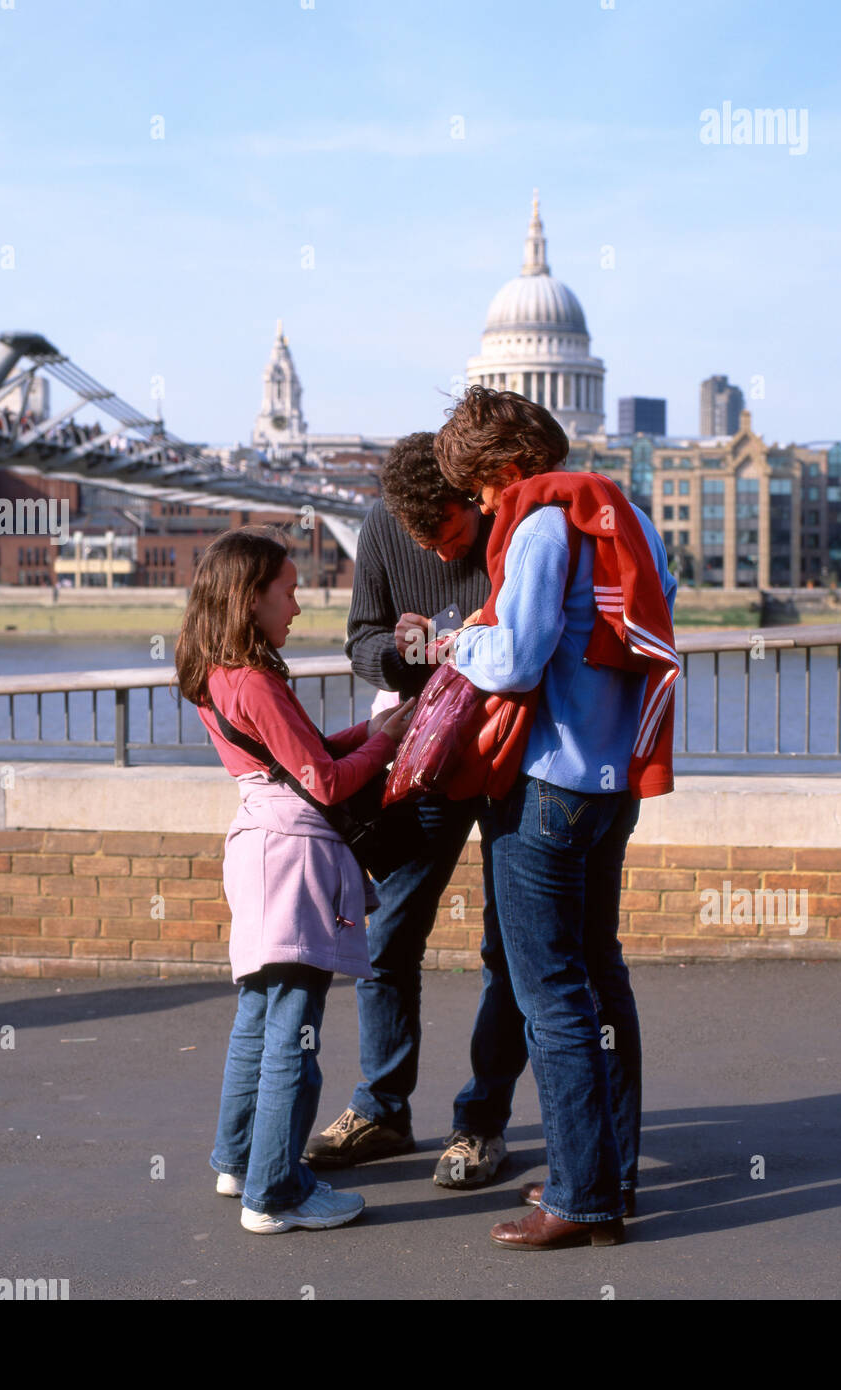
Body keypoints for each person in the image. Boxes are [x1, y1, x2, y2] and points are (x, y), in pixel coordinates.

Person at [432, 385, 679, 1251]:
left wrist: (456, 637)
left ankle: (578, 1199)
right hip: (610, 787)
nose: (483, 511)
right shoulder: (630, 520)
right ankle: (611, 1175)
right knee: (601, 977)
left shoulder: (541, 524)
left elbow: (515, 659)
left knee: (552, 999)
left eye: (481, 494)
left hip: (543, 787)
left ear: (506, 470)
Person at [303, 431, 530, 1189]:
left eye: (450, 537)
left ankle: (481, 1123)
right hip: (424, 755)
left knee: (511, 950)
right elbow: (362, 639)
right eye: (420, 542)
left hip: (511, 756)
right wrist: (403, 657)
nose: (438, 556)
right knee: (388, 936)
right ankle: (382, 1108)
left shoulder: (516, 523)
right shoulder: (378, 528)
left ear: (472, 499)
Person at [174, 526, 416, 1234]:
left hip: (257, 842)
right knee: (293, 1033)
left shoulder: (215, 674)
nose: (299, 606)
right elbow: (330, 784)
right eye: (287, 590)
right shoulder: (257, 678)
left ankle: (238, 1159)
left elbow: (292, 760)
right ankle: (275, 1193)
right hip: (296, 856)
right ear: (250, 598)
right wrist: (387, 742)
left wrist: (377, 731)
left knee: (257, 1017)